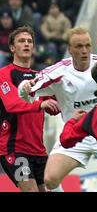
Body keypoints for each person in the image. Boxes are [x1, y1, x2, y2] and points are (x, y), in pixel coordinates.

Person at [18, 27, 97, 191]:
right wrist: (24, 87)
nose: (84, 51)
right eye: (79, 47)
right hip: (75, 134)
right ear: (70, 50)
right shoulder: (58, 72)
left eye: (87, 45)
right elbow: (27, 93)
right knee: (49, 180)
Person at [0, 26, 59, 192]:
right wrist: (40, 104)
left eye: (29, 41)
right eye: (21, 41)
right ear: (12, 48)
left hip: (39, 150)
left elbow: (53, 108)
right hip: (14, 149)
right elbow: (12, 105)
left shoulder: (40, 76)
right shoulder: (4, 74)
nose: (26, 44)